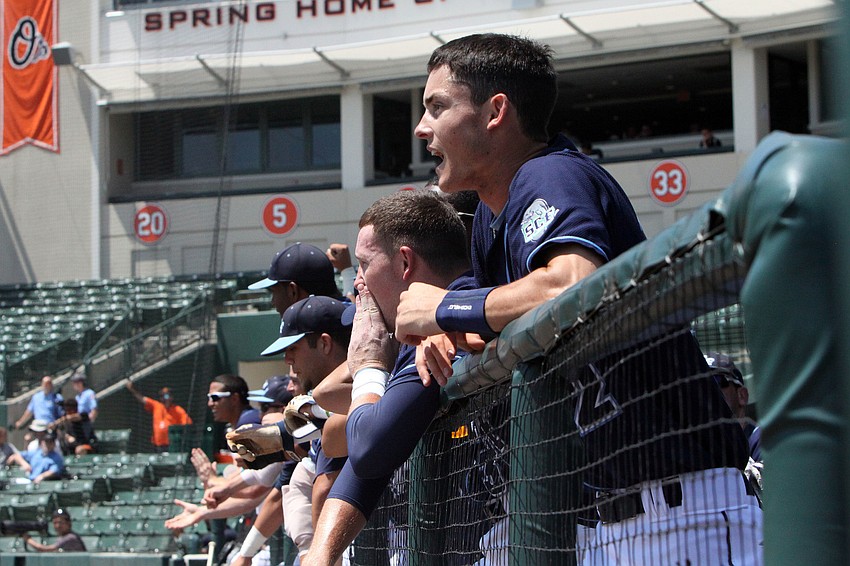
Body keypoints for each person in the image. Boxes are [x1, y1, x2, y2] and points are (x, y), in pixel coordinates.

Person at [392, 34, 758, 566]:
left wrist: (445, 311)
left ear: (496, 112)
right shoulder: (490, 220)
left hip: (686, 511)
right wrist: (449, 335)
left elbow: (570, 282)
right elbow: (504, 314)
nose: (423, 128)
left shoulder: (551, 172)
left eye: (437, 107)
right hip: (604, 523)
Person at [248, 242, 343, 316]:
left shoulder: (307, 337)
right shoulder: (352, 318)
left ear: (292, 291)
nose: (273, 301)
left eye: (274, 292)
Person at [705, 352, 760, 461]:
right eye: (699, 385)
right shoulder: (700, 447)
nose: (707, 392)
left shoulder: (762, 440)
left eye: (715, 382)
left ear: (742, 396)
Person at [126, 382, 192, 452]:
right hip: (157, 445)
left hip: (171, 445)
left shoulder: (177, 410)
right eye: (162, 396)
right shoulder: (156, 405)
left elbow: (188, 423)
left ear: (171, 397)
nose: (164, 398)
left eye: (166, 396)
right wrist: (132, 389)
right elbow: (143, 399)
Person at [21, 508, 86, 552]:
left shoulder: (71, 537)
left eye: (60, 522)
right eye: (55, 523)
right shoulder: (62, 537)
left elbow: (45, 550)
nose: (58, 526)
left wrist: (28, 539)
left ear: (68, 523)